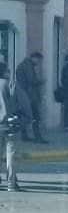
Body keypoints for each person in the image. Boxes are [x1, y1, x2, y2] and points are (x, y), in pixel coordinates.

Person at [16, 52, 48, 143]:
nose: (38, 62)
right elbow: (31, 80)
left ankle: (24, 135)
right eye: (38, 60)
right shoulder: (28, 66)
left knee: (24, 116)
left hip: (24, 95)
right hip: (29, 96)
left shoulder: (23, 65)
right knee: (36, 117)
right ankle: (38, 137)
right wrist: (41, 81)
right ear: (34, 58)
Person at [0, 59, 20, 191]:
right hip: (8, 123)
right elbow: (13, 103)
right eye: (8, 70)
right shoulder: (8, 84)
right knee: (10, 153)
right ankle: (11, 183)